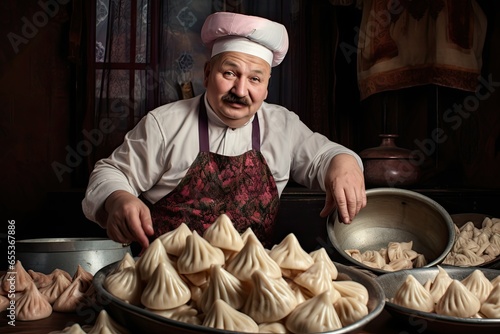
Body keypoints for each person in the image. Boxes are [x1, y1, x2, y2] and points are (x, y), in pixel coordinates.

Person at [82, 12, 366, 250]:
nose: (240, 91)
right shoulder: (164, 124)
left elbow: (324, 156)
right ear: (207, 73)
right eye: (229, 73)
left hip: (250, 288)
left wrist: (344, 163)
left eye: (255, 79)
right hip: (169, 283)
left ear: (266, 87)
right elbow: (110, 172)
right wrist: (118, 197)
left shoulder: (283, 126)